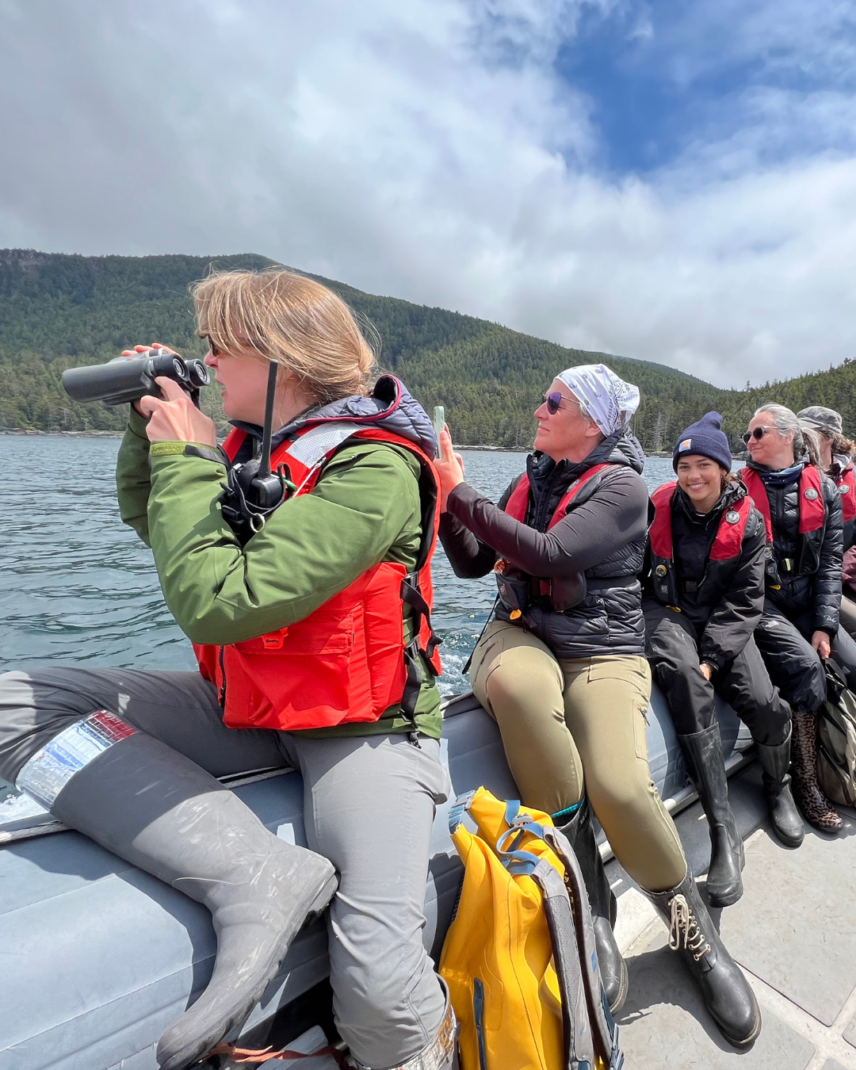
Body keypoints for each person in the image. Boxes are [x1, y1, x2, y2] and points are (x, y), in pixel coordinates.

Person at [0, 270, 457, 1070]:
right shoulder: (253, 446)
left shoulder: (376, 468)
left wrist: (187, 454)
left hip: (366, 728)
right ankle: (256, 875)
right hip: (250, 704)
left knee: (379, 992)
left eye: (221, 346)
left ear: (284, 357)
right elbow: (160, 525)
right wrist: (156, 433)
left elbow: (221, 600)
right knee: (14, 704)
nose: (207, 360)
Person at [436, 365, 761, 1049]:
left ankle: (691, 930)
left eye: (553, 401)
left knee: (618, 784)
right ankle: (592, 905)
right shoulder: (531, 478)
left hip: (603, 647)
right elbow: (470, 563)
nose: (537, 409)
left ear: (594, 422)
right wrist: (444, 504)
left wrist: (459, 493)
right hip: (520, 632)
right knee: (522, 691)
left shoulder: (622, 489)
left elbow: (552, 553)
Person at [644, 414, 803, 913]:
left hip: (724, 619)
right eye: (684, 465)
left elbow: (745, 601)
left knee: (763, 701)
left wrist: (712, 658)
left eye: (704, 465)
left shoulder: (748, 522)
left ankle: (779, 788)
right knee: (687, 684)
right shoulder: (657, 508)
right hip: (668, 614)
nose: (693, 476)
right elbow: (635, 569)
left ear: (723, 468)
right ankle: (722, 828)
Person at [741, 403, 856, 835]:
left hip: (809, 599)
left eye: (758, 433)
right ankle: (804, 782)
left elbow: (829, 565)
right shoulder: (738, 489)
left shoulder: (823, 491)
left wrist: (825, 625)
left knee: (850, 661)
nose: (748, 443)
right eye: (747, 436)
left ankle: (841, 757)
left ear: (789, 436)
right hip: (763, 603)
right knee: (807, 667)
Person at [798, 406, 856, 642]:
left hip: (840, 580)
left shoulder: (852, 479)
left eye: (807, 433)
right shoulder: (789, 473)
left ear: (829, 438)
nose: (800, 440)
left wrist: (837, 573)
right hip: (798, 582)